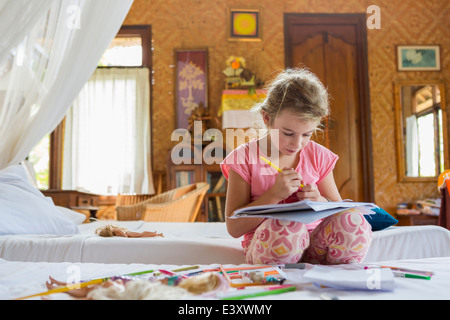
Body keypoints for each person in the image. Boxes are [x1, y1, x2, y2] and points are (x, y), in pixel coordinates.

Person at [220, 68, 372, 265]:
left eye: (307, 134)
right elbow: (234, 228)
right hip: (272, 245)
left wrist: (320, 200)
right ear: (267, 118)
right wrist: (273, 195)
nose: (297, 144)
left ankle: (336, 281)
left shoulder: (317, 155)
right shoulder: (244, 158)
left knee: (353, 220)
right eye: (288, 133)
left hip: (317, 247)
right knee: (287, 225)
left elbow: (337, 210)